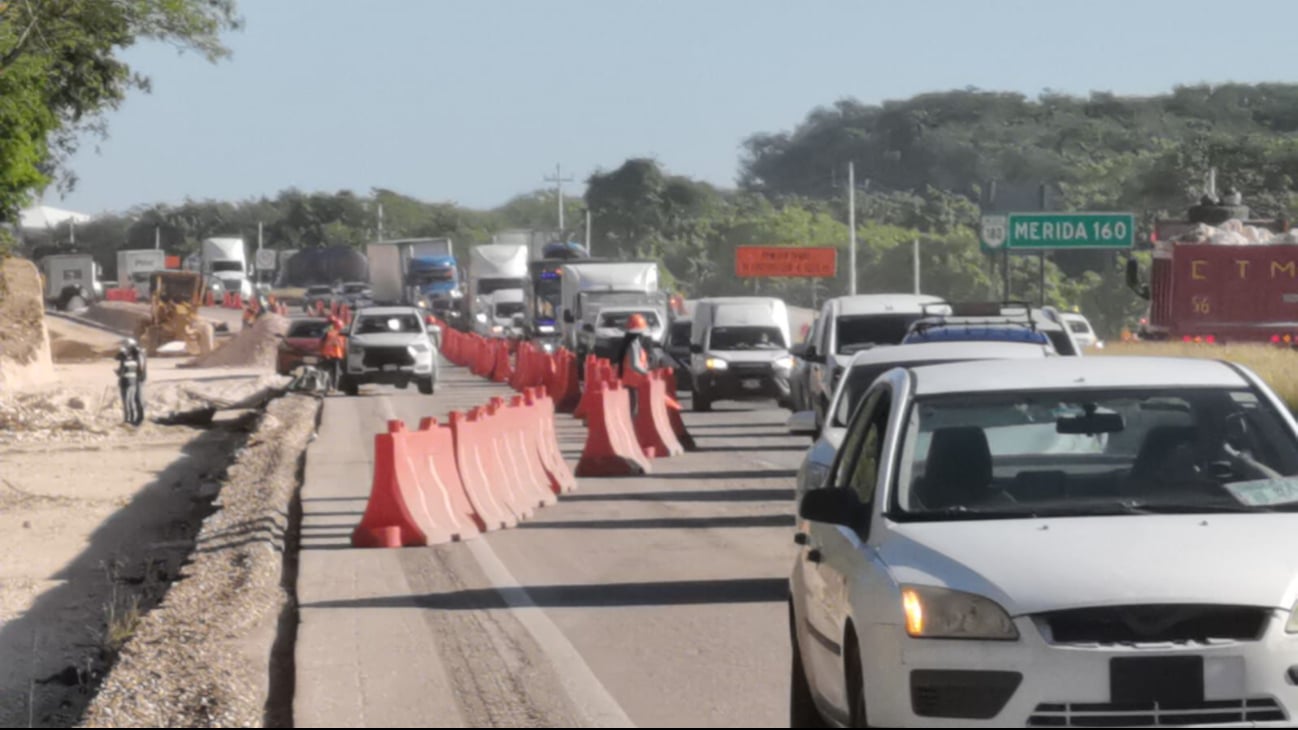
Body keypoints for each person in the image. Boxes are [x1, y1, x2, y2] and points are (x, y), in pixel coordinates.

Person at [615, 313, 653, 416]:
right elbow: (634, 364)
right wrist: (647, 373)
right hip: (631, 384)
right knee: (632, 412)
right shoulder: (633, 344)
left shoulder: (632, 342)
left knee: (632, 411)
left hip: (631, 383)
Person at [115, 338, 146, 426]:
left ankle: (129, 420)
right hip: (134, 380)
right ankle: (134, 419)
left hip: (128, 381)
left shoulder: (129, 358)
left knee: (128, 402)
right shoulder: (137, 355)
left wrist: (119, 373)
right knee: (132, 401)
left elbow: (121, 369)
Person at [319, 316, 347, 392]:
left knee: (326, 371)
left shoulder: (328, 333)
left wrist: (321, 353)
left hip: (327, 355)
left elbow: (321, 343)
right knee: (335, 373)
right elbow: (344, 346)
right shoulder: (342, 334)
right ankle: (334, 387)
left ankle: (327, 386)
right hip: (337, 356)